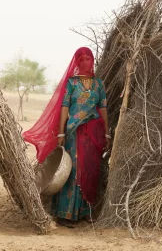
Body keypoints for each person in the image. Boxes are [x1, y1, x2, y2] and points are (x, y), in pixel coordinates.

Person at [22, 47, 110, 228]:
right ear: (77, 62)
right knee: (72, 170)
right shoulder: (71, 84)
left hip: (93, 133)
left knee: (90, 170)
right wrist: (61, 132)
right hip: (74, 132)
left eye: (89, 59)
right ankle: (65, 214)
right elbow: (64, 108)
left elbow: (102, 108)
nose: (87, 62)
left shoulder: (98, 84)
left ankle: (86, 212)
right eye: (83, 59)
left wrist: (107, 132)